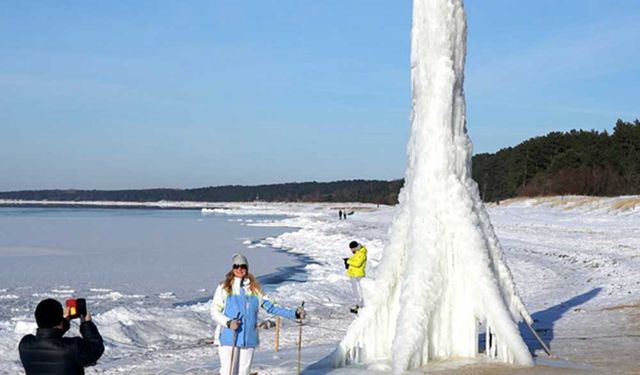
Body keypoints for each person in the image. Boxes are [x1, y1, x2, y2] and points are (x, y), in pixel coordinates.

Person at [211, 253, 306, 375]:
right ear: (233, 268)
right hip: (230, 337)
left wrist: (295, 314)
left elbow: (271, 307)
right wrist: (228, 322)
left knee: (244, 372)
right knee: (228, 372)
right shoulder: (224, 287)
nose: (239, 269)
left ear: (247, 268)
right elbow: (214, 311)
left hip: (249, 337)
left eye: (243, 266)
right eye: (236, 266)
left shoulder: (255, 289)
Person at [19, 298, 104, 375]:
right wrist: (87, 324)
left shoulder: (25, 344)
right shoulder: (73, 347)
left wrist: (64, 322)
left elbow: (49, 337)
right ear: (60, 320)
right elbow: (96, 348)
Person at [343, 241, 367, 314]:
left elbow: (357, 264)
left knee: (359, 291)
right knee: (356, 291)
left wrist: (348, 261)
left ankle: (361, 306)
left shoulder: (361, 254)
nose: (351, 250)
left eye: (352, 249)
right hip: (353, 274)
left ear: (355, 247)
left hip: (358, 275)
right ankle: (358, 305)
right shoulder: (357, 253)